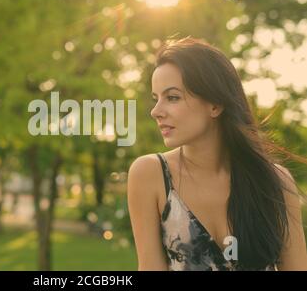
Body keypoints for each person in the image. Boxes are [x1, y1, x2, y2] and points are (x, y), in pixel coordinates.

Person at [127, 37, 307, 271]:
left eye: (172, 97)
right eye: (156, 99)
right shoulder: (150, 174)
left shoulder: (276, 182)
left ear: (215, 105)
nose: (156, 111)